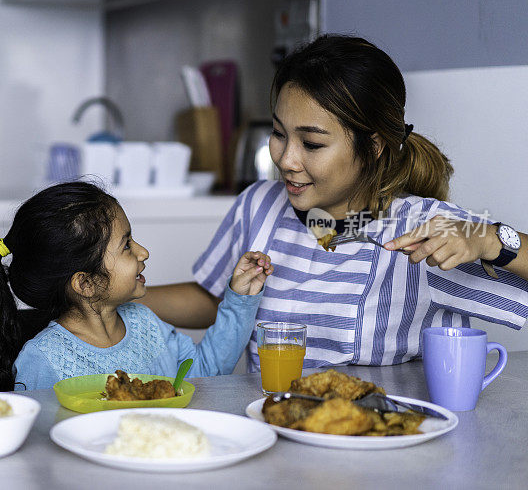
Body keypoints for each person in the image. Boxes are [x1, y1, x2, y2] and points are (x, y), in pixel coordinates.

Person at [142, 34, 528, 371]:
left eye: (312, 144)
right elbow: (219, 300)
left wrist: (492, 240)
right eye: (279, 134)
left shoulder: (427, 227)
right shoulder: (259, 205)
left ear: (373, 146)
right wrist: (122, 295)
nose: (286, 160)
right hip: (272, 431)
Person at [0, 181, 272, 391]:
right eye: (127, 246)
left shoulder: (145, 324)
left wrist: (240, 299)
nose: (143, 252)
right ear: (86, 283)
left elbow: (206, 372)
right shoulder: (43, 360)